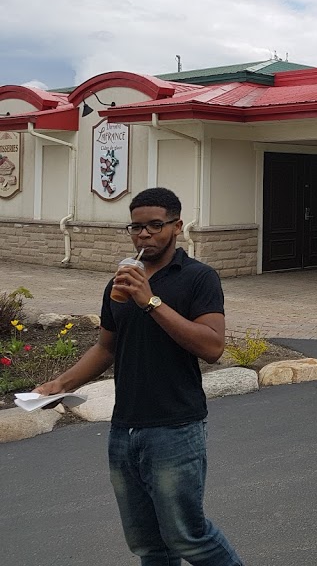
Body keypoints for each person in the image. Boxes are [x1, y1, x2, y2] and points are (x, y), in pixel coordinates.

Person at [36, 187, 244, 566]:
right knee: (147, 544)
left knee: (187, 537)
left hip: (175, 426)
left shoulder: (198, 278)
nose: (144, 235)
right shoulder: (120, 282)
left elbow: (212, 347)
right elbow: (106, 347)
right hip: (125, 427)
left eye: (154, 226)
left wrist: (151, 302)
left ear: (177, 226)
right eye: (136, 227)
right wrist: (61, 384)